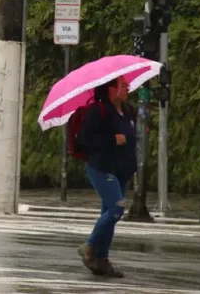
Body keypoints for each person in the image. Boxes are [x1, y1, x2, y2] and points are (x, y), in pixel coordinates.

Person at [77, 76, 135, 279]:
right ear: (111, 89)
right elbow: (86, 139)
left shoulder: (128, 111)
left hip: (121, 171)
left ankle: (102, 260)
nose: (128, 88)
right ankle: (90, 246)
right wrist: (113, 139)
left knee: (110, 215)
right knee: (117, 209)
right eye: (123, 85)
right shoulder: (97, 111)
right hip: (101, 169)